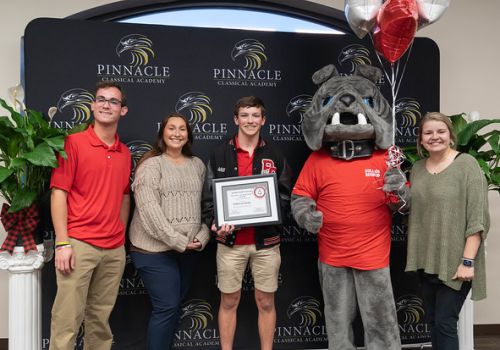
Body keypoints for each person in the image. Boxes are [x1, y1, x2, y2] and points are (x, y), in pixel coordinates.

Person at [202, 96, 293, 350]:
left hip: (266, 243)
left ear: (263, 120)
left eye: (255, 116)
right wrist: (215, 221)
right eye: (245, 115)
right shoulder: (220, 153)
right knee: (229, 301)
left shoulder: (274, 154)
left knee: (265, 301)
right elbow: (209, 196)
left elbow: (286, 194)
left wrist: (273, 214)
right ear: (236, 119)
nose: (250, 121)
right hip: (230, 243)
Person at [49, 82, 131, 350]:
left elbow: (123, 196)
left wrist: (120, 235)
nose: (107, 105)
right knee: (66, 322)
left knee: (100, 322)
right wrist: (62, 243)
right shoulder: (73, 143)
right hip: (79, 244)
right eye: (101, 100)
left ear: (123, 110)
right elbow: (59, 193)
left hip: (113, 249)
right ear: (93, 106)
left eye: (114, 101)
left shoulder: (125, 153)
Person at [406, 112, 490, 350]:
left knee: (444, 323)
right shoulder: (418, 168)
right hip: (426, 259)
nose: (435, 137)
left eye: (440, 132)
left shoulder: (467, 165)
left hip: (457, 261)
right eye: (428, 133)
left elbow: (477, 217)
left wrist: (467, 261)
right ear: (421, 140)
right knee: (432, 322)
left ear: (451, 136)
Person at [128, 113, 210, 349]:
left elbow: (207, 206)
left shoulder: (197, 165)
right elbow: (150, 211)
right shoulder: (151, 165)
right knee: (167, 306)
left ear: (188, 134)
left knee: (173, 308)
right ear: (162, 133)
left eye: (182, 129)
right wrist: (177, 240)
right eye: (171, 128)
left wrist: (202, 236)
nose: (177, 133)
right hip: (153, 250)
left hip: (188, 251)